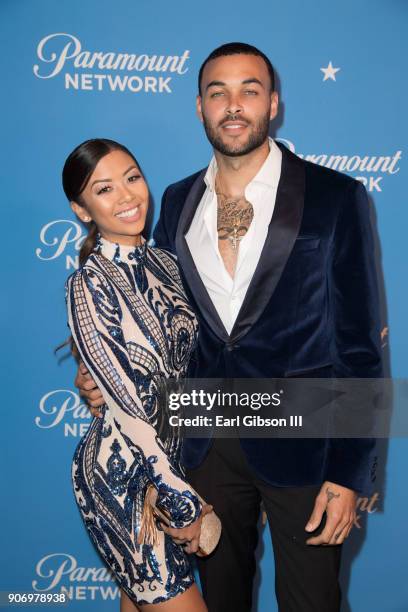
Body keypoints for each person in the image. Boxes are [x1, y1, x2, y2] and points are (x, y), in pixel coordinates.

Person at [76, 43, 382, 612]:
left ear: (274, 104)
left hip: (305, 440)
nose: (233, 105)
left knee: (312, 602)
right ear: (199, 107)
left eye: (250, 90)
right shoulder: (174, 199)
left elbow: (360, 347)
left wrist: (349, 474)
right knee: (219, 602)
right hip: (204, 441)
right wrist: (101, 372)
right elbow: (157, 323)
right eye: (218, 92)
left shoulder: (336, 198)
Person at [63, 138, 217, 612]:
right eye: (104, 189)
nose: (127, 196)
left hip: (173, 466)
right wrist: (182, 501)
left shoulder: (166, 263)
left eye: (132, 177)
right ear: (82, 209)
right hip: (124, 477)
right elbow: (129, 408)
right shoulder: (88, 283)